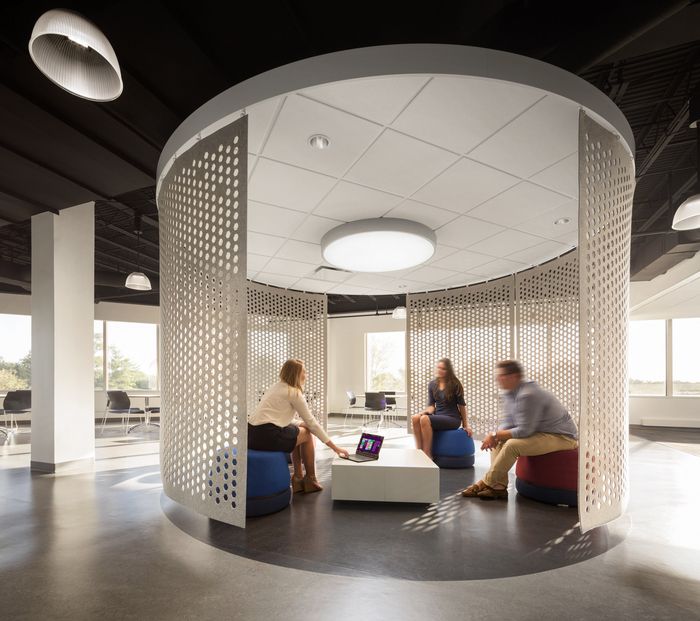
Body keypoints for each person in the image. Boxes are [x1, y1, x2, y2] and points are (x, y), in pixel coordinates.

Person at [461, 359, 578, 500]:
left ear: (514, 376)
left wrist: (494, 434)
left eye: (501, 376)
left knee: (512, 445)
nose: (498, 379)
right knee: (499, 440)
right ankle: (498, 487)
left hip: (562, 437)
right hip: (541, 432)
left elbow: (524, 431)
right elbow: (508, 423)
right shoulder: (509, 393)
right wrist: (495, 436)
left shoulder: (528, 394)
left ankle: (485, 482)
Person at [248, 358, 349, 494]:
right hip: (268, 435)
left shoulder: (275, 387)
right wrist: (335, 448)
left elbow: (275, 417)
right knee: (307, 434)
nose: (306, 375)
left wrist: (300, 423)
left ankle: (298, 478)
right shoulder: (294, 392)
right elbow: (311, 423)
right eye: (304, 372)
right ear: (296, 374)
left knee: (296, 431)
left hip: (252, 434)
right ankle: (310, 479)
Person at [411, 358, 472, 459]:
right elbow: (431, 406)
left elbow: (462, 405)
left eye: (443, 369)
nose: (440, 370)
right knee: (415, 418)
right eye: (439, 368)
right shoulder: (432, 384)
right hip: (439, 417)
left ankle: (427, 454)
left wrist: (466, 425)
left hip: (452, 418)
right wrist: (424, 412)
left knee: (424, 419)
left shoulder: (455, 384)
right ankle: (419, 451)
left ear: (448, 371)